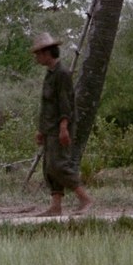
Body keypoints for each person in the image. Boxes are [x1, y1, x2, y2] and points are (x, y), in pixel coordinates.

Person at [31, 32, 93, 217]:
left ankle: (85, 198)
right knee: (49, 167)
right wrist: (41, 130)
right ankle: (55, 206)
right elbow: (47, 105)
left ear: (47, 53)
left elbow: (65, 104)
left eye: (38, 54)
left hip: (60, 128)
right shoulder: (50, 74)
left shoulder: (62, 74)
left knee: (59, 165)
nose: (37, 57)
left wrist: (64, 127)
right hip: (50, 128)